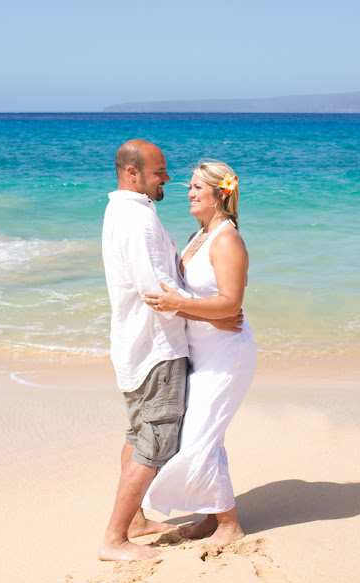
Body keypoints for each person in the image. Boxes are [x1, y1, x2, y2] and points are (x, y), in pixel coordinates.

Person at [98, 142, 242, 561]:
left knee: (140, 436)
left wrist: (211, 313)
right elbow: (156, 290)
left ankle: (137, 521)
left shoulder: (121, 211)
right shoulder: (138, 219)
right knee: (155, 444)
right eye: (160, 171)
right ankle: (115, 539)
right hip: (156, 348)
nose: (168, 179)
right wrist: (214, 316)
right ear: (133, 174)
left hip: (139, 345)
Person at [142, 161, 257, 547]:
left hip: (227, 355)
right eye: (189, 187)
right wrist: (185, 309)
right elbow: (204, 301)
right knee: (207, 435)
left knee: (198, 436)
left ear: (220, 194)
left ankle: (229, 524)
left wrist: (178, 306)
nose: (189, 193)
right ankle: (212, 516)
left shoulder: (226, 240)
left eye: (197, 188)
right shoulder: (199, 236)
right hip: (200, 352)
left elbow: (230, 304)